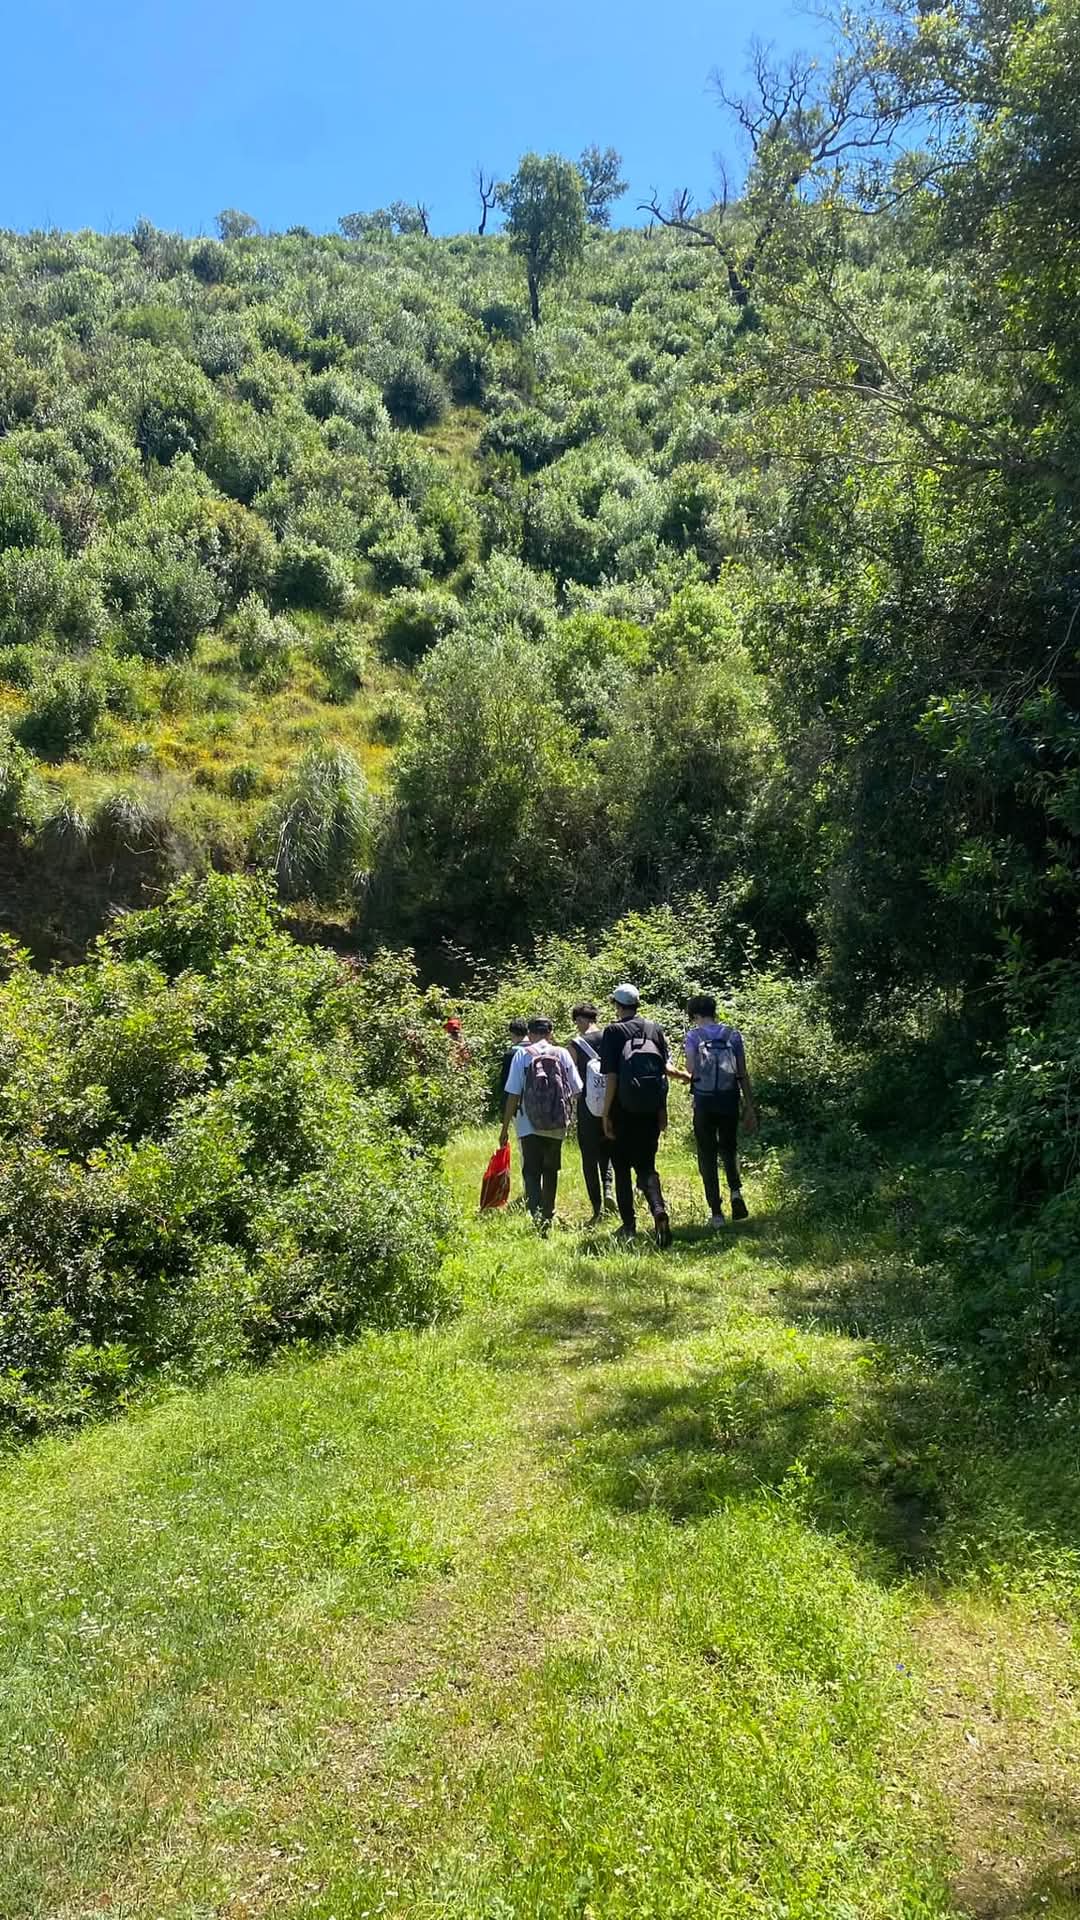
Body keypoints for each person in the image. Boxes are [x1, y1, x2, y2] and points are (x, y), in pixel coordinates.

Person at [599, 983, 672, 1248]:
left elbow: (611, 1077)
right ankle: (658, 1209)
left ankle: (629, 1226)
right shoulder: (655, 1029)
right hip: (650, 1110)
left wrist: (605, 1113)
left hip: (622, 1110)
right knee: (646, 1165)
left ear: (618, 1006)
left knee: (620, 1168)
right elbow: (662, 1071)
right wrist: (662, 1109)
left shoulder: (614, 1031)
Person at [500, 1017, 582, 1231]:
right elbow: (576, 1089)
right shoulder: (562, 1053)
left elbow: (512, 1094)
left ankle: (536, 1215)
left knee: (531, 1170)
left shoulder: (522, 1054)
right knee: (550, 1169)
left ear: (530, 1033)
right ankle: (548, 1213)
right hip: (556, 1123)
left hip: (528, 1123)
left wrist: (505, 1127)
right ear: (550, 1032)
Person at [682, 993, 757, 1225]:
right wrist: (749, 1106)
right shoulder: (732, 1035)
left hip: (704, 1102)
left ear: (694, 1015)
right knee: (729, 1147)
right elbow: (742, 1073)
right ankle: (735, 1192)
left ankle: (716, 1212)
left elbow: (691, 1069)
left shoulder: (693, 1036)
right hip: (729, 1099)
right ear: (713, 1012)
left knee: (707, 1154)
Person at [565, 1001, 615, 1224]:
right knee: (610, 1149)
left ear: (580, 1020)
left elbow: (570, 1079)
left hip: (587, 1105)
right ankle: (609, 1190)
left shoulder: (575, 1045)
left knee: (589, 1156)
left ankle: (597, 1209)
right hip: (611, 1104)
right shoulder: (611, 1038)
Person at [496, 1017, 529, 1111]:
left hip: (518, 1100)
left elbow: (505, 1081)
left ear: (513, 1034)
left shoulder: (511, 1054)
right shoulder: (538, 1050)